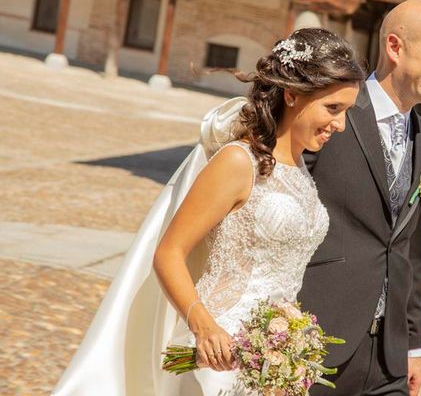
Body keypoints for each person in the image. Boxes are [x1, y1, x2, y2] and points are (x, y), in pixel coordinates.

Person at [52, 28, 364, 396]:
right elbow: (169, 252)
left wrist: (289, 348)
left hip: (272, 362)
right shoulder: (237, 161)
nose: (341, 124)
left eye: (346, 111)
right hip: (219, 355)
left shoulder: (299, 170)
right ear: (292, 95)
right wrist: (203, 326)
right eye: (333, 108)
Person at [299, 0, 421, 396]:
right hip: (318, 338)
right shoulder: (333, 114)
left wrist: (414, 342)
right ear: (394, 47)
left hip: (389, 359)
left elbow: (410, 250)